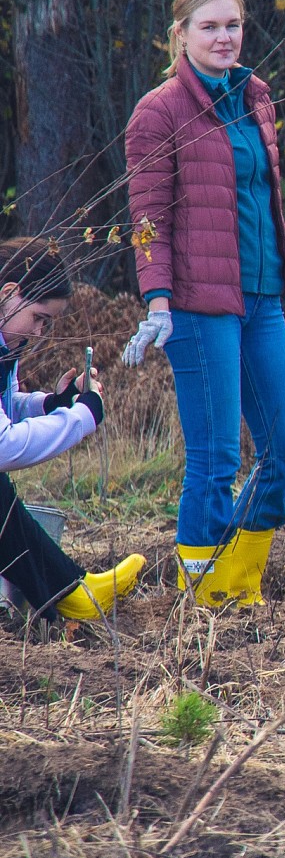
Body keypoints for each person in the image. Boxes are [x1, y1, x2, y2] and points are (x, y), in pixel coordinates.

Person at [122, 0, 285, 608]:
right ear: (181, 34)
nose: (224, 38)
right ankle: (203, 598)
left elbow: (269, 207)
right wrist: (157, 303)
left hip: (264, 303)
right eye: (209, 27)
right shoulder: (158, 111)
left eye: (233, 25)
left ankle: (235, 577)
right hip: (198, 305)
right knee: (215, 460)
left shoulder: (255, 99)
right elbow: (146, 220)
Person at [0, 238, 144, 622]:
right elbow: (4, 446)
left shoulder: (6, 346)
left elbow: (6, 408)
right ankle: (72, 593)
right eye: (39, 317)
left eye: (48, 323)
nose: (41, 333)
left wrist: (52, 403)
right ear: (9, 294)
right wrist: (81, 418)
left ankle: (67, 593)